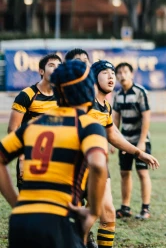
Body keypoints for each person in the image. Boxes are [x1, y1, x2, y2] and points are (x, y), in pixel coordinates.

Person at [0, 59, 108, 248]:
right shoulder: (87, 125)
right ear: (88, 89)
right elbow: (98, 165)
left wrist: (17, 204)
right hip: (58, 221)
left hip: (20, 223)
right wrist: (93, 212)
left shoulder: (34, 124)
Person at [84, 60, 160, 248]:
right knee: (88, 212)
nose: (111, 76)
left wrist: (138, 152)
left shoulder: (105, 106)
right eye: (105, 73)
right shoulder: (85, 104)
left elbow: (112, 134)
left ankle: (79, 239)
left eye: (112, 73)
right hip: (78, 165)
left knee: (107, 213)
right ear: (94, 77)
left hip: (99, 166)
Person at [8, 53, 62, 188]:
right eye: (51, 65)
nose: (56, 69)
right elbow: (13, 129)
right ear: (41, 71)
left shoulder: (63, 96)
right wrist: (21, 157)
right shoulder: (26, 95)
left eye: (59, 66)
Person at [111, 63, 153, 219]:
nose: (122, 75)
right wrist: (113, 141)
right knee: (124, 172)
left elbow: (146, 117)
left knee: (142, 172)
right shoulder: (117, 95)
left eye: (125, 72)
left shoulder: (140, 92)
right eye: (119, 73)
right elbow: (115, 118)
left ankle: (145, 209)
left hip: (140, 139)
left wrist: (142, 142)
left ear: (131, 74)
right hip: (125, 140)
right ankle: (125, 207)